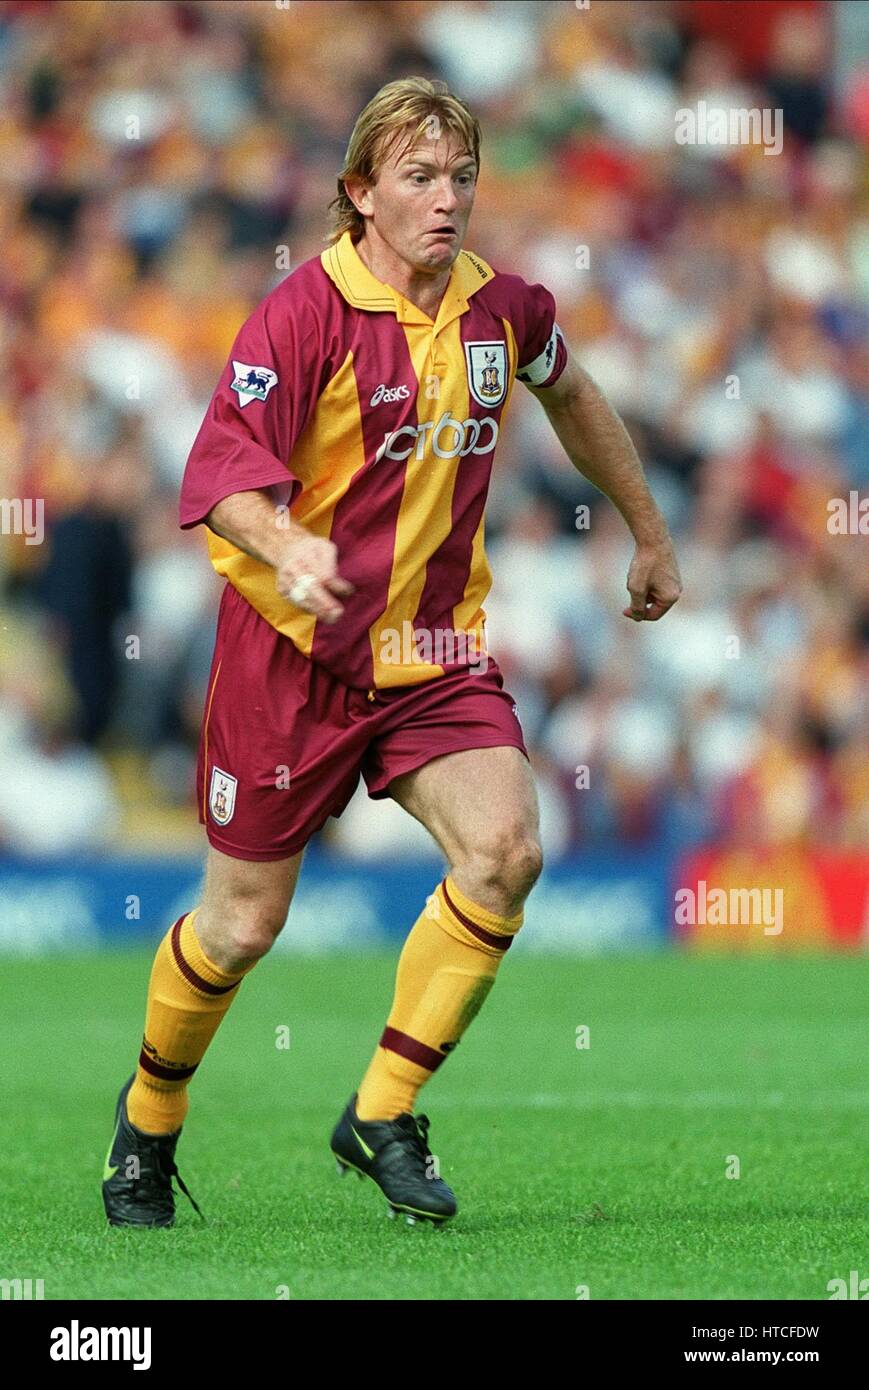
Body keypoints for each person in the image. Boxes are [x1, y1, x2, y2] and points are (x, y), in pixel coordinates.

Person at [102, 77, 682, 1229]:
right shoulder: (301, 314)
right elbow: (223, 481)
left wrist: (649, 528)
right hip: (288, 653)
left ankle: (381, 1112)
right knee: (241, 925)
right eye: (418, 177)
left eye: (460, 176)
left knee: (508, 848)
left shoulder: (502, 310)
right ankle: (147, 1126)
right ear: (359, 192)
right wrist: (287, 541)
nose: (447, 198)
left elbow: (576, 395)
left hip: (433, 648)